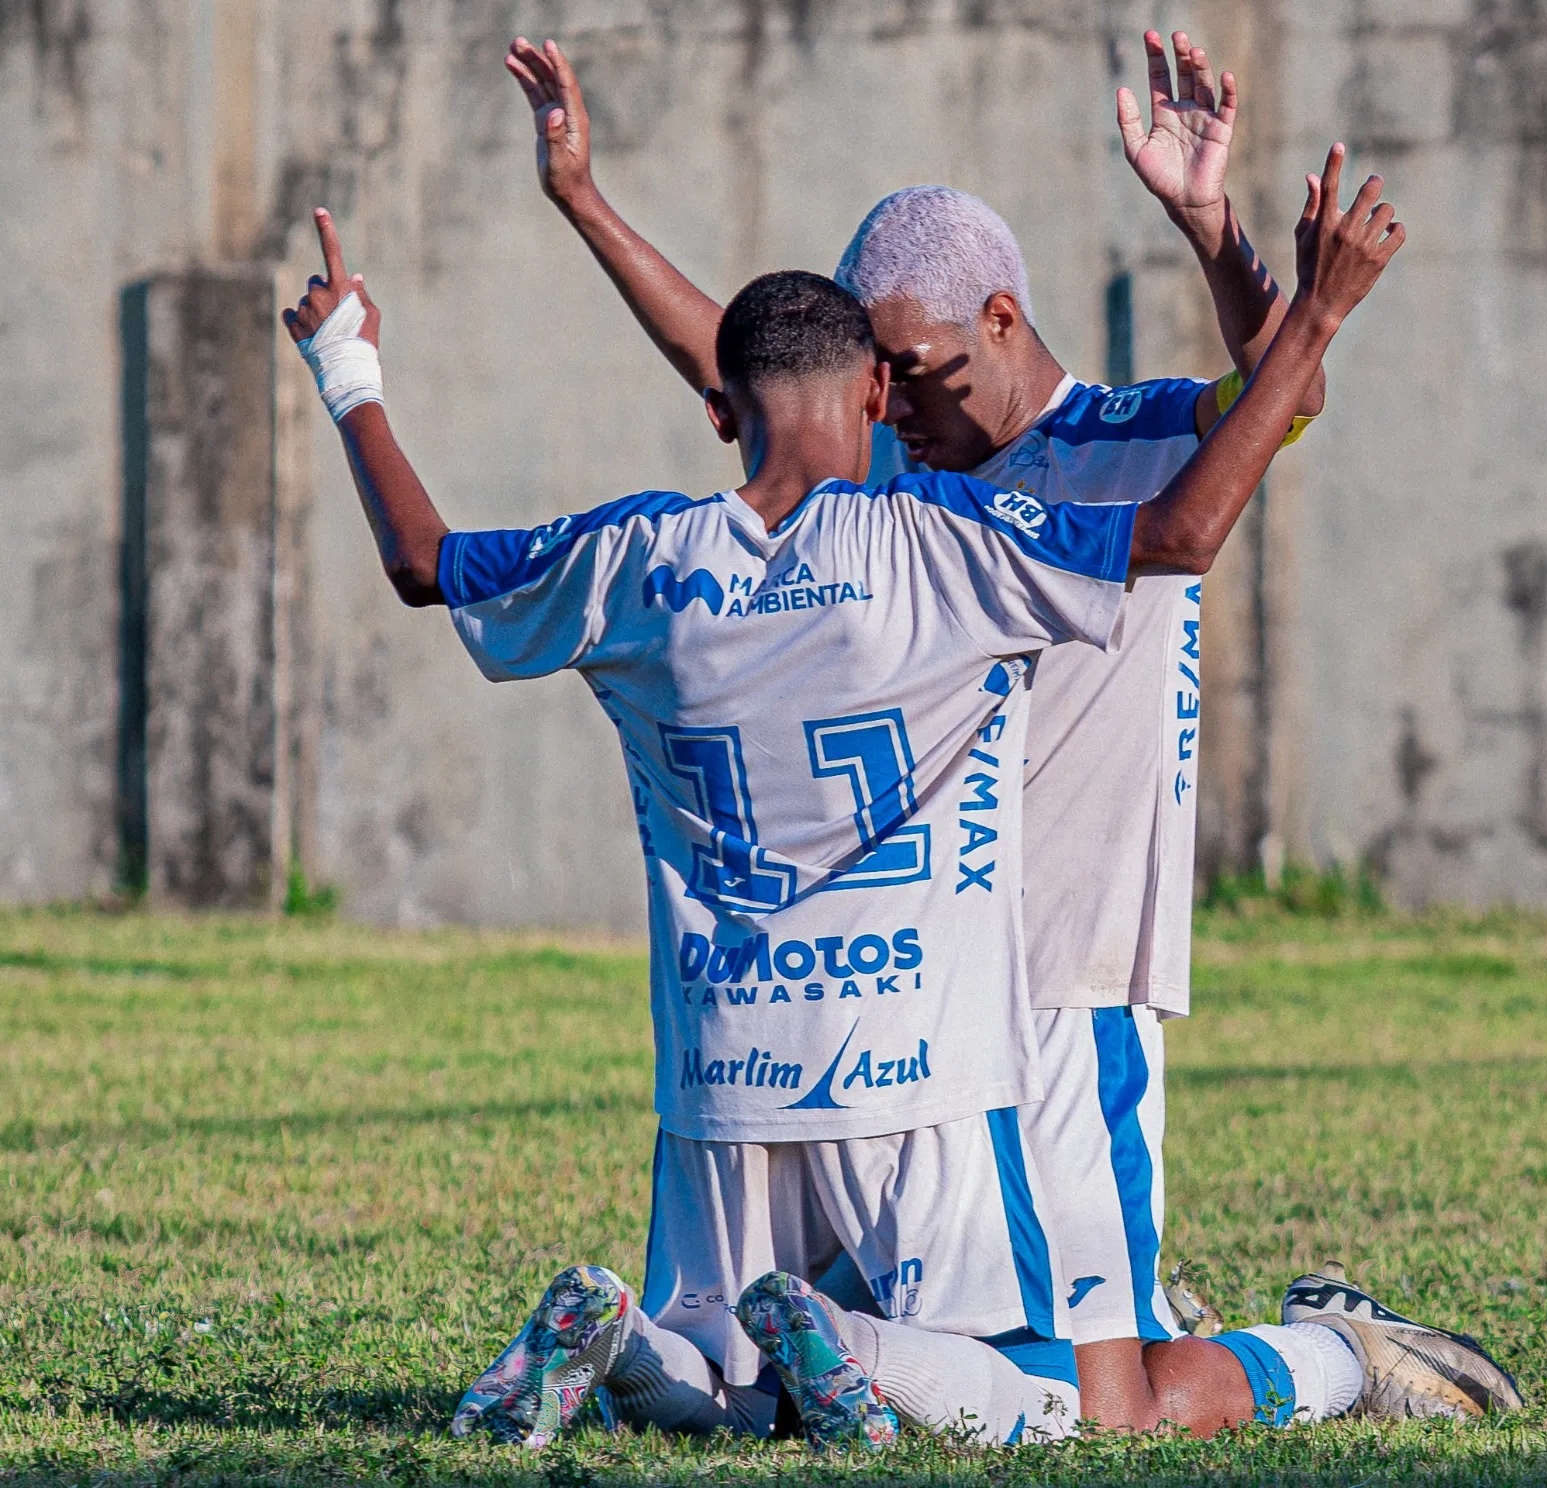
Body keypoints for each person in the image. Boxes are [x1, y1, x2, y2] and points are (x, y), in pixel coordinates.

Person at [283, 136, 1409, 1447]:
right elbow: (1179, 533)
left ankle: (634, 1344)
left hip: (739, 1050)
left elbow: (428, 562)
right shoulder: (936, 533)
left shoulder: (642, 549)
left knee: (750, 1390)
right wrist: (1322, 303)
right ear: (871, 389)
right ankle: (1337, 1354)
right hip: (940, 1033)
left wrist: (351, 369)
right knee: (1077, 1398)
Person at [492, 32, 1523, 1435]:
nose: (889, 403)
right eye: (874, 378)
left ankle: (1347, 1359)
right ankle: (674, 1353)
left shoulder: (1124, 441)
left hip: (1057, 983)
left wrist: (1216, 232)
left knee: (1107, 1402)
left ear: (995, 316)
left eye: (909, 369)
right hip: (911, 1004)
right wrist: (585, 201)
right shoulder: (897, 477)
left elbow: (1286, 398)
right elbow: (736, 373)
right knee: (831, 1374)